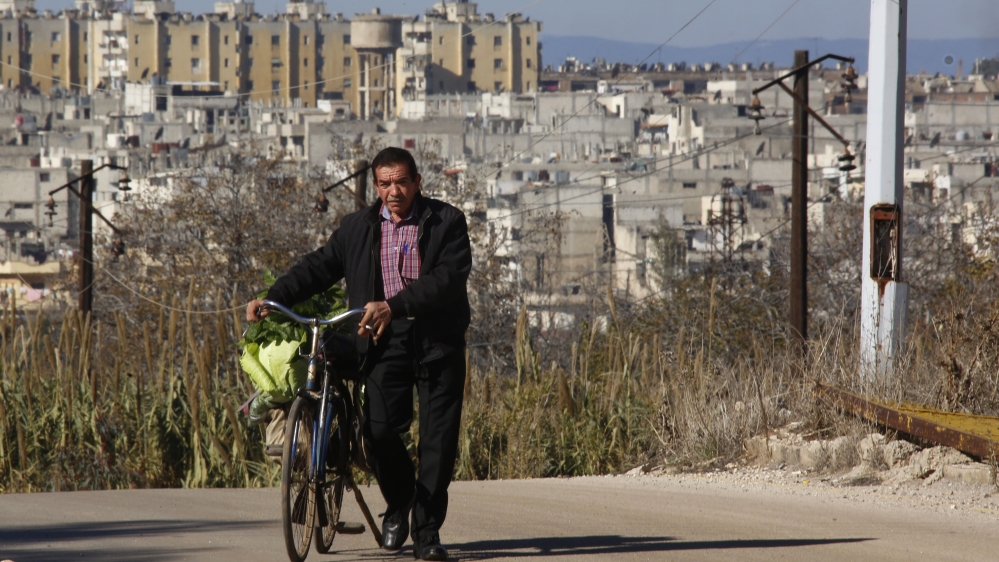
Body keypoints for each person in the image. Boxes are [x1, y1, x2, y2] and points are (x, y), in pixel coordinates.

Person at [246, 146, 472, 561]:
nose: (394, 191)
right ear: (376, 187)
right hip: (383, 341)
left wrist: (395, 305)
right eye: (385, 184)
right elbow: (318, 267)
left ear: (417, 182)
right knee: (378, 430)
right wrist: (272, 297)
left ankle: (426, 534)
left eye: (402, 181)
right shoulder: (358, 228)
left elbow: (447, 279)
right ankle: (401, 500)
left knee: (438, 443)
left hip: (437, 343)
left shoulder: (447, 222)